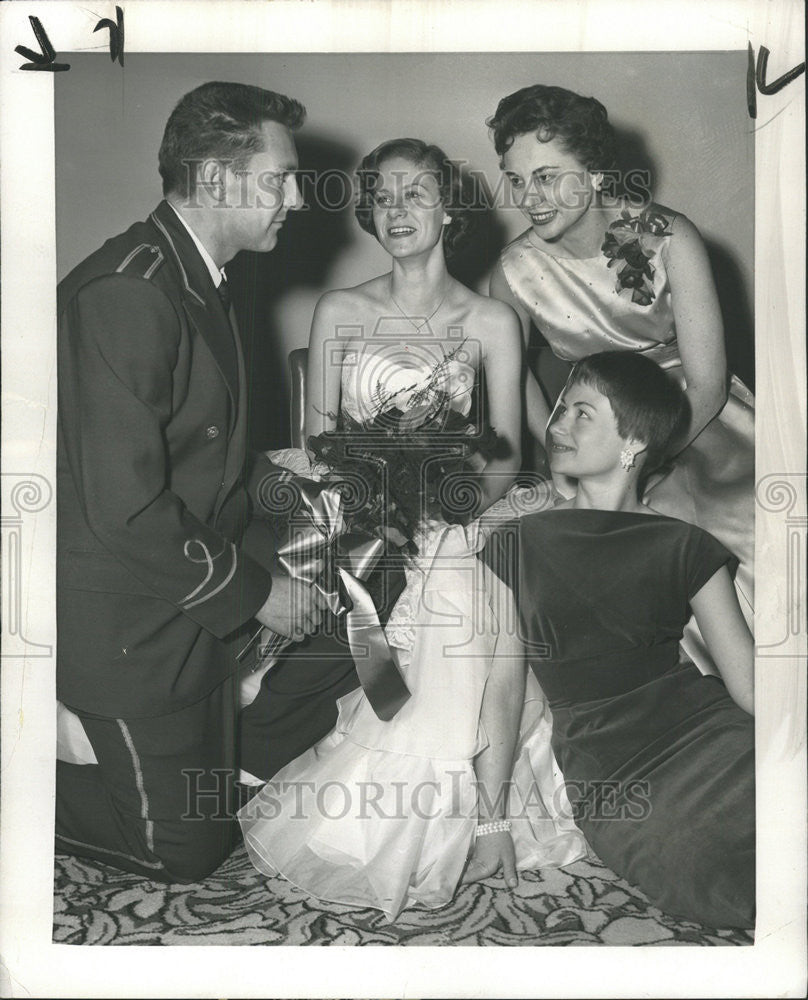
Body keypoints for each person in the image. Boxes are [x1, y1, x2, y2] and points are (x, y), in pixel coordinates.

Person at [238, 139, 585, 921]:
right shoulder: (342, 310)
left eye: (416, 195)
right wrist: (375, 507)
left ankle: (477, 817)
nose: (398, 211)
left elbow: (507, 458)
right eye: (383, 198)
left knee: (464, 596)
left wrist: (448, 507)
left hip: (454, 514)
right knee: (372, 584)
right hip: (354, 510)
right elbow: (320, 439)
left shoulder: (492, 319)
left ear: (450, 208)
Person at [55, 81, 331, 883]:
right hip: (126, 606)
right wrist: (257, 593)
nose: (297, 197)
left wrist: (300, 494)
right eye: (278, 179)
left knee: (359, 564)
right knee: (184, 850)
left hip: (185, 557)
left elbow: (204, 459)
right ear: (214, 180)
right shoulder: (130, 293)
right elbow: (128, 508)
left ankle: (216, 738)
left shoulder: (196, 272)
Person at [479, 351, 755, 928]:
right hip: (612, 772)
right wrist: (491, 822)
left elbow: (749, 686)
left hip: (708, 731)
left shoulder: (684, 543)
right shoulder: (517, 542)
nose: (556, 425)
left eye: (582, 413)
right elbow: (502, 691)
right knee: (710, 877)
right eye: (560, 409)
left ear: (633, 443)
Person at [486, 84, 754, 668]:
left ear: (598, 172)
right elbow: (520, 387)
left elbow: (708, 384)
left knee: (732, 516)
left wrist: (639, 464)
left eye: (549, 176)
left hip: (696, 419)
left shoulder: (670, 236)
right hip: (599, 426)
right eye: (516, 179)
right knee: (628, 541)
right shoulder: (512, 275)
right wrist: (567, 453)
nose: (529, 197)